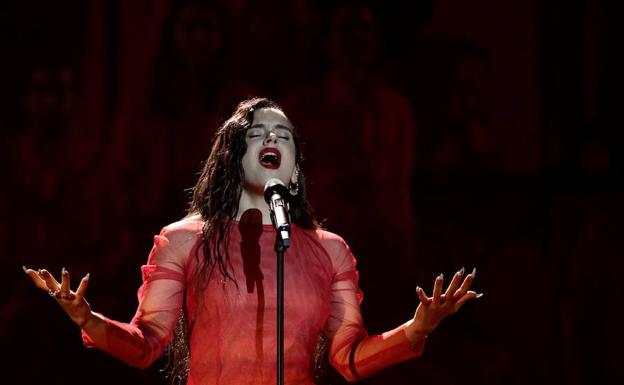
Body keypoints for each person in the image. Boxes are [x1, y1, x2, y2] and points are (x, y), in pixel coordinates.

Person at [24, 97, 482, 385]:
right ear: (233, 155)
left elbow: (349, 359)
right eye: (258, 134)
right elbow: (146, 345)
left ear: (295, 165)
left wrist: (416, 329)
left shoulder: (329, 250)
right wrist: (90, 319)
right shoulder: (184, 240)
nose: (272, 140)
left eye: (283, 136)